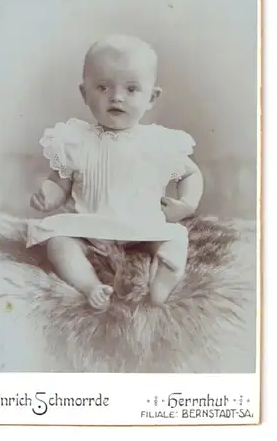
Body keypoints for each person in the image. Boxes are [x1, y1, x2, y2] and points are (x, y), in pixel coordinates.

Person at [27, 35, 204, 310]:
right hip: (90, 225)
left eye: (131, 89)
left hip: (143, 227)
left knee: (174, 238)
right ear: (85, 93)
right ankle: (90, 285)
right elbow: (59, 182)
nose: (116, 97)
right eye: (102, 87)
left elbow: (190, 174)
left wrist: (187, 203)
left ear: (152, 98)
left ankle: (165, 275)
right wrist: (48, 196)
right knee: (59, 243)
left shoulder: (160, 143)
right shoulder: (75, 140)